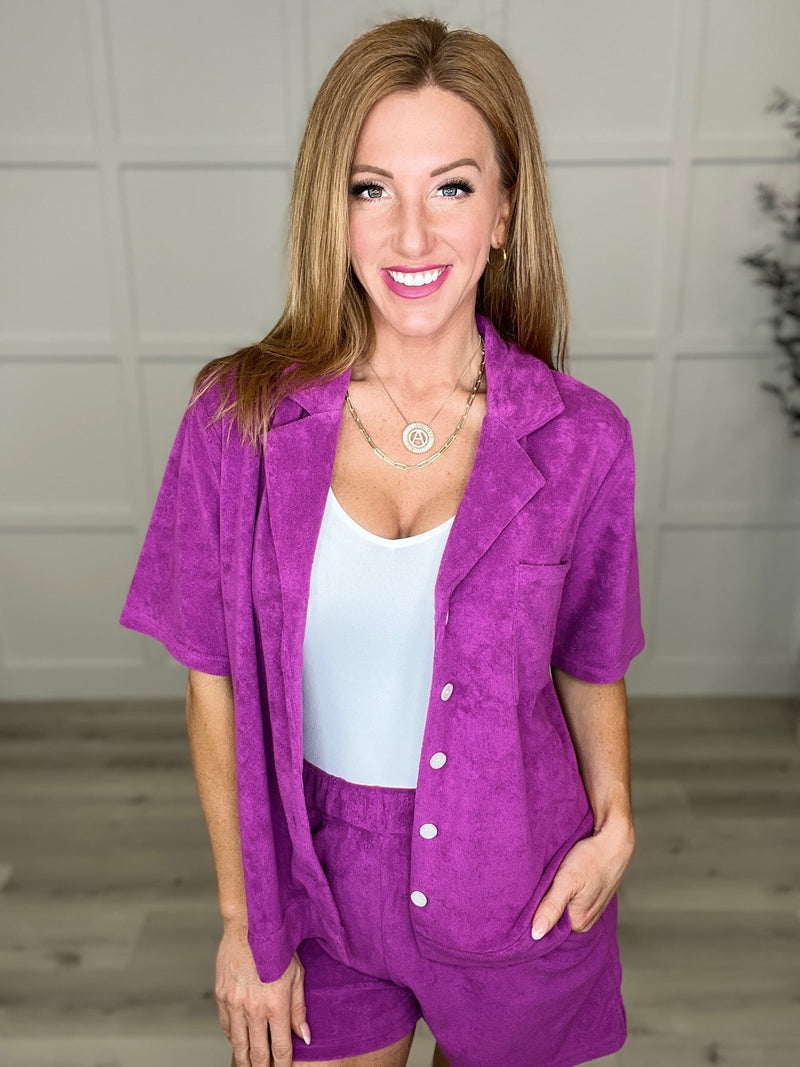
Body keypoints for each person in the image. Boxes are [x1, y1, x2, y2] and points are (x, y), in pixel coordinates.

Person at [119, 15, 645, 1067]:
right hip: (313, 883)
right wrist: (244, 918)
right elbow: (211, 681)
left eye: (450, 187)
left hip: (522, 876)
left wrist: (617, 820)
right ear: (334, 208)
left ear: (503, 211)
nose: (411, 236)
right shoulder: (236, 421)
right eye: (371, 189)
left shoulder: (583, 438)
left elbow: (590, 662)